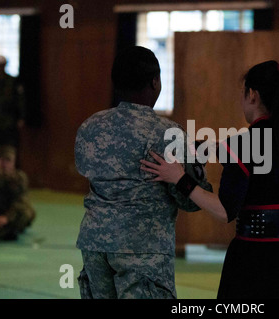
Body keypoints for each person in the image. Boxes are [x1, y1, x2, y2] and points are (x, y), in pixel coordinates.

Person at [141, 60, 279, 299]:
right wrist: (206, 149)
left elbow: (224, 210)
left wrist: (179, 178)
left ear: (252, 95)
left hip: (253, 257)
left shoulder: (243, 144)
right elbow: (262, 159)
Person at [74, 46, 212, 299]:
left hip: (94, 243)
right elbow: (191, 199)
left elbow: (87, 171)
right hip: (143, 248)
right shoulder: (167, 133)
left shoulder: (89, 126)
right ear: (155, 81)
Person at [0, 145, 35, 240]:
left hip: (8, 214)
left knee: (26, 214)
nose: (4, 164)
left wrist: (7, 218)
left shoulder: (18, 178)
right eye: (2, 160)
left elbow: (20, 202)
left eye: (8, 160)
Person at [0, 56, 25, 147]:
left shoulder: (13, 81)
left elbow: (20, 100)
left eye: (1, 65)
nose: (0, 67)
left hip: (10, 120)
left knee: (9, 147)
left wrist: (21, 117)